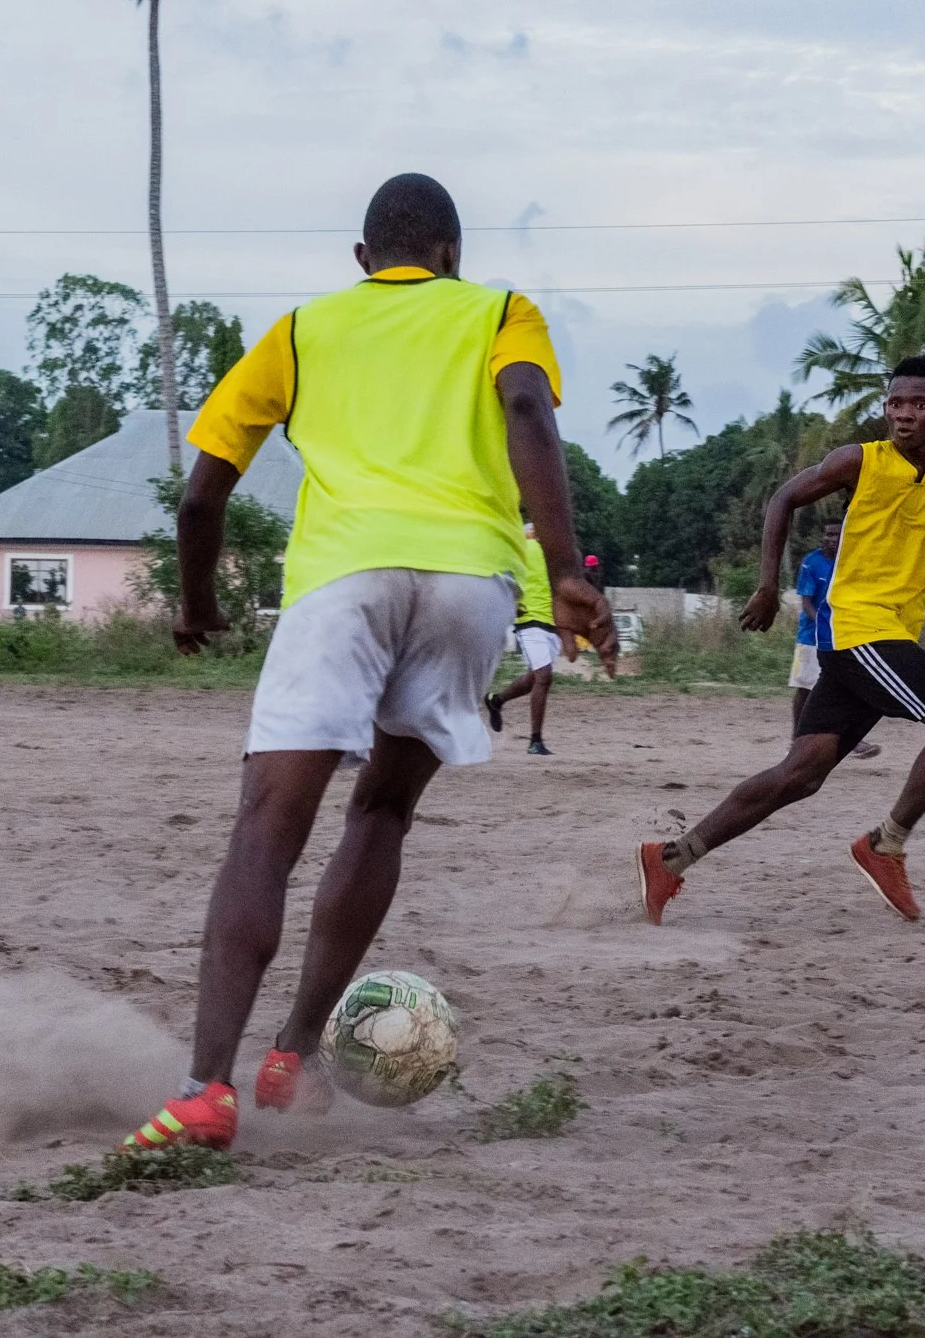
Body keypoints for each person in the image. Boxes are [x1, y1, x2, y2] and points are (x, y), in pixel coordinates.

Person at [122, 173, 617, 1152]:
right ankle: (294, 1053)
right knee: (382, 811)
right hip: (468, 587)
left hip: (343, 583)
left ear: (361, 258)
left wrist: (199, 605)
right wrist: (562, 569)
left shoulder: (301, 330)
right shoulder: (499, 313)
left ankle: (204, 1089)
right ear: (449, 254)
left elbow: (197, 499)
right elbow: (527, 411)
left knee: (267, 827)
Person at [635, 356, 925, 926]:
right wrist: (767, 584)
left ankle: (672, 858)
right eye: (895, 403)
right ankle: (886, 844)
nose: (904, 415)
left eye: (919, 405)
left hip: (887, 633)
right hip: (858, 629)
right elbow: (782, 498)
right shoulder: (859, 460)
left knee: (803, 772)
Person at [791, 521, 878, 758]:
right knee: (805, 688)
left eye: (837, 535)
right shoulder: (812, 562)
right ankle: (796, 739)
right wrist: (823, 622)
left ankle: (851, 740)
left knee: (850, 688)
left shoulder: (851, 562)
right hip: (811, 637)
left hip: (843, 635)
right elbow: (806, 602)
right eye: (828, 534)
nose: (832, 539)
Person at [484, 523, 560, 755]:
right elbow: (501, 575)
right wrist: (510, 605)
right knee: (544, 676)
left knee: (533, 679)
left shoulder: (554, 554)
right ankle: (535, 741)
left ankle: (496, 700)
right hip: (528, 620)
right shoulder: (523, 548)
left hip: (552, 623)